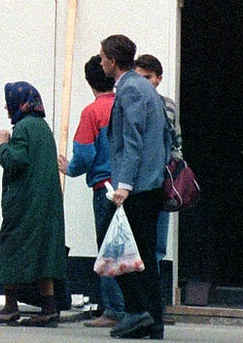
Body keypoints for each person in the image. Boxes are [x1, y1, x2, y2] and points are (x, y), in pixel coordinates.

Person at [101, 34, 168, 340]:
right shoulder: (145, 89)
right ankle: (153, 320)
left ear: (113, 61)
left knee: (115, 242)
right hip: (152, 183)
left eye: (103, 57)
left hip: (137, 186)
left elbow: (133, 140)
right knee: (145, 253)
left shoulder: (129, 89)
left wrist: (124, 185)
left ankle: (136, 310)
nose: (101, 62)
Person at [0, 81, 66, 327]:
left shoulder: (22, 128)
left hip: (25, 203)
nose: (6, 106)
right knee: (44, 252)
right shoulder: (43, 127)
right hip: (47, 203)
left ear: (19, 103)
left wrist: (2, 144)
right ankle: (49, 307)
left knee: (11, 247)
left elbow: (15, 161)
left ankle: (10, 306)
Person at [58, 55, 124, 328]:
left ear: (89, 82)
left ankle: (112, 310)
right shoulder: (124, 105)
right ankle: (133, 307)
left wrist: (68, 168)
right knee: (130, 248)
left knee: (108, 248)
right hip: (130, 186)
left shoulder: (92, 112)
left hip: (104, 188)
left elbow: (84, 155)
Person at [134, 54, 181, 311]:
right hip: (140, 183)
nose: (143, 83)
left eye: (148, 78)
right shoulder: (132, 103)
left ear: (158, 79)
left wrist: (172, 176)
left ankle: (156, 306)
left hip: (159, 179)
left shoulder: (167, 106)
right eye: (139, 77)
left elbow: (176, 142)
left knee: (157, 245)